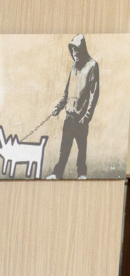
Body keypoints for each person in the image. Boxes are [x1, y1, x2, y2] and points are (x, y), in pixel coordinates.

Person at [45, 34, 99, 180]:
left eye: (77, 51)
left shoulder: (92, 66)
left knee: (82, 151)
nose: (74, 55)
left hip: (81, 118)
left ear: (82, 50)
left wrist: (86, 117)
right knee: (64, 150)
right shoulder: (74, 66)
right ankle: (57, 174)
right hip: (69, 116)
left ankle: (82, 174)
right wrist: (58, 108)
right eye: (72, 51)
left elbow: (94, 95)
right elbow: (67, 92)